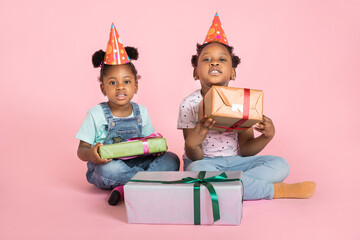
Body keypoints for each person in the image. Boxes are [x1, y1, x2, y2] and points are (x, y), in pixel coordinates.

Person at [178, 13, 315, 200]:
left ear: (233, 73)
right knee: (196, 171)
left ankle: (226, 184)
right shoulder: (189, 104)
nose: (215, 62)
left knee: (281, 165)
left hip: (237, 163)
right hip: (205, 163)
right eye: (207, 59)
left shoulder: (240, 100)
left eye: (222, 59)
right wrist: (195, 140)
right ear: (196, 72)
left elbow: (246, 149)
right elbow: (194, 155)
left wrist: (267, 136)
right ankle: (275, 191)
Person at [76, 23, 180, 205]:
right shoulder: (96, 114)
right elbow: (81, 150)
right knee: (108, 171)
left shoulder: (142, 112)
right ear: (103, 88)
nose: (121, 87)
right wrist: (92, 154)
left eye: (126, 81)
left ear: (135, 86)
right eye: (113, 83)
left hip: (138, 162)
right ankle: (148, 183)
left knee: (171, 159)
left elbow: (149, 143)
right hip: (110, 165)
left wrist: (157, 149)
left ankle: (126, 187)